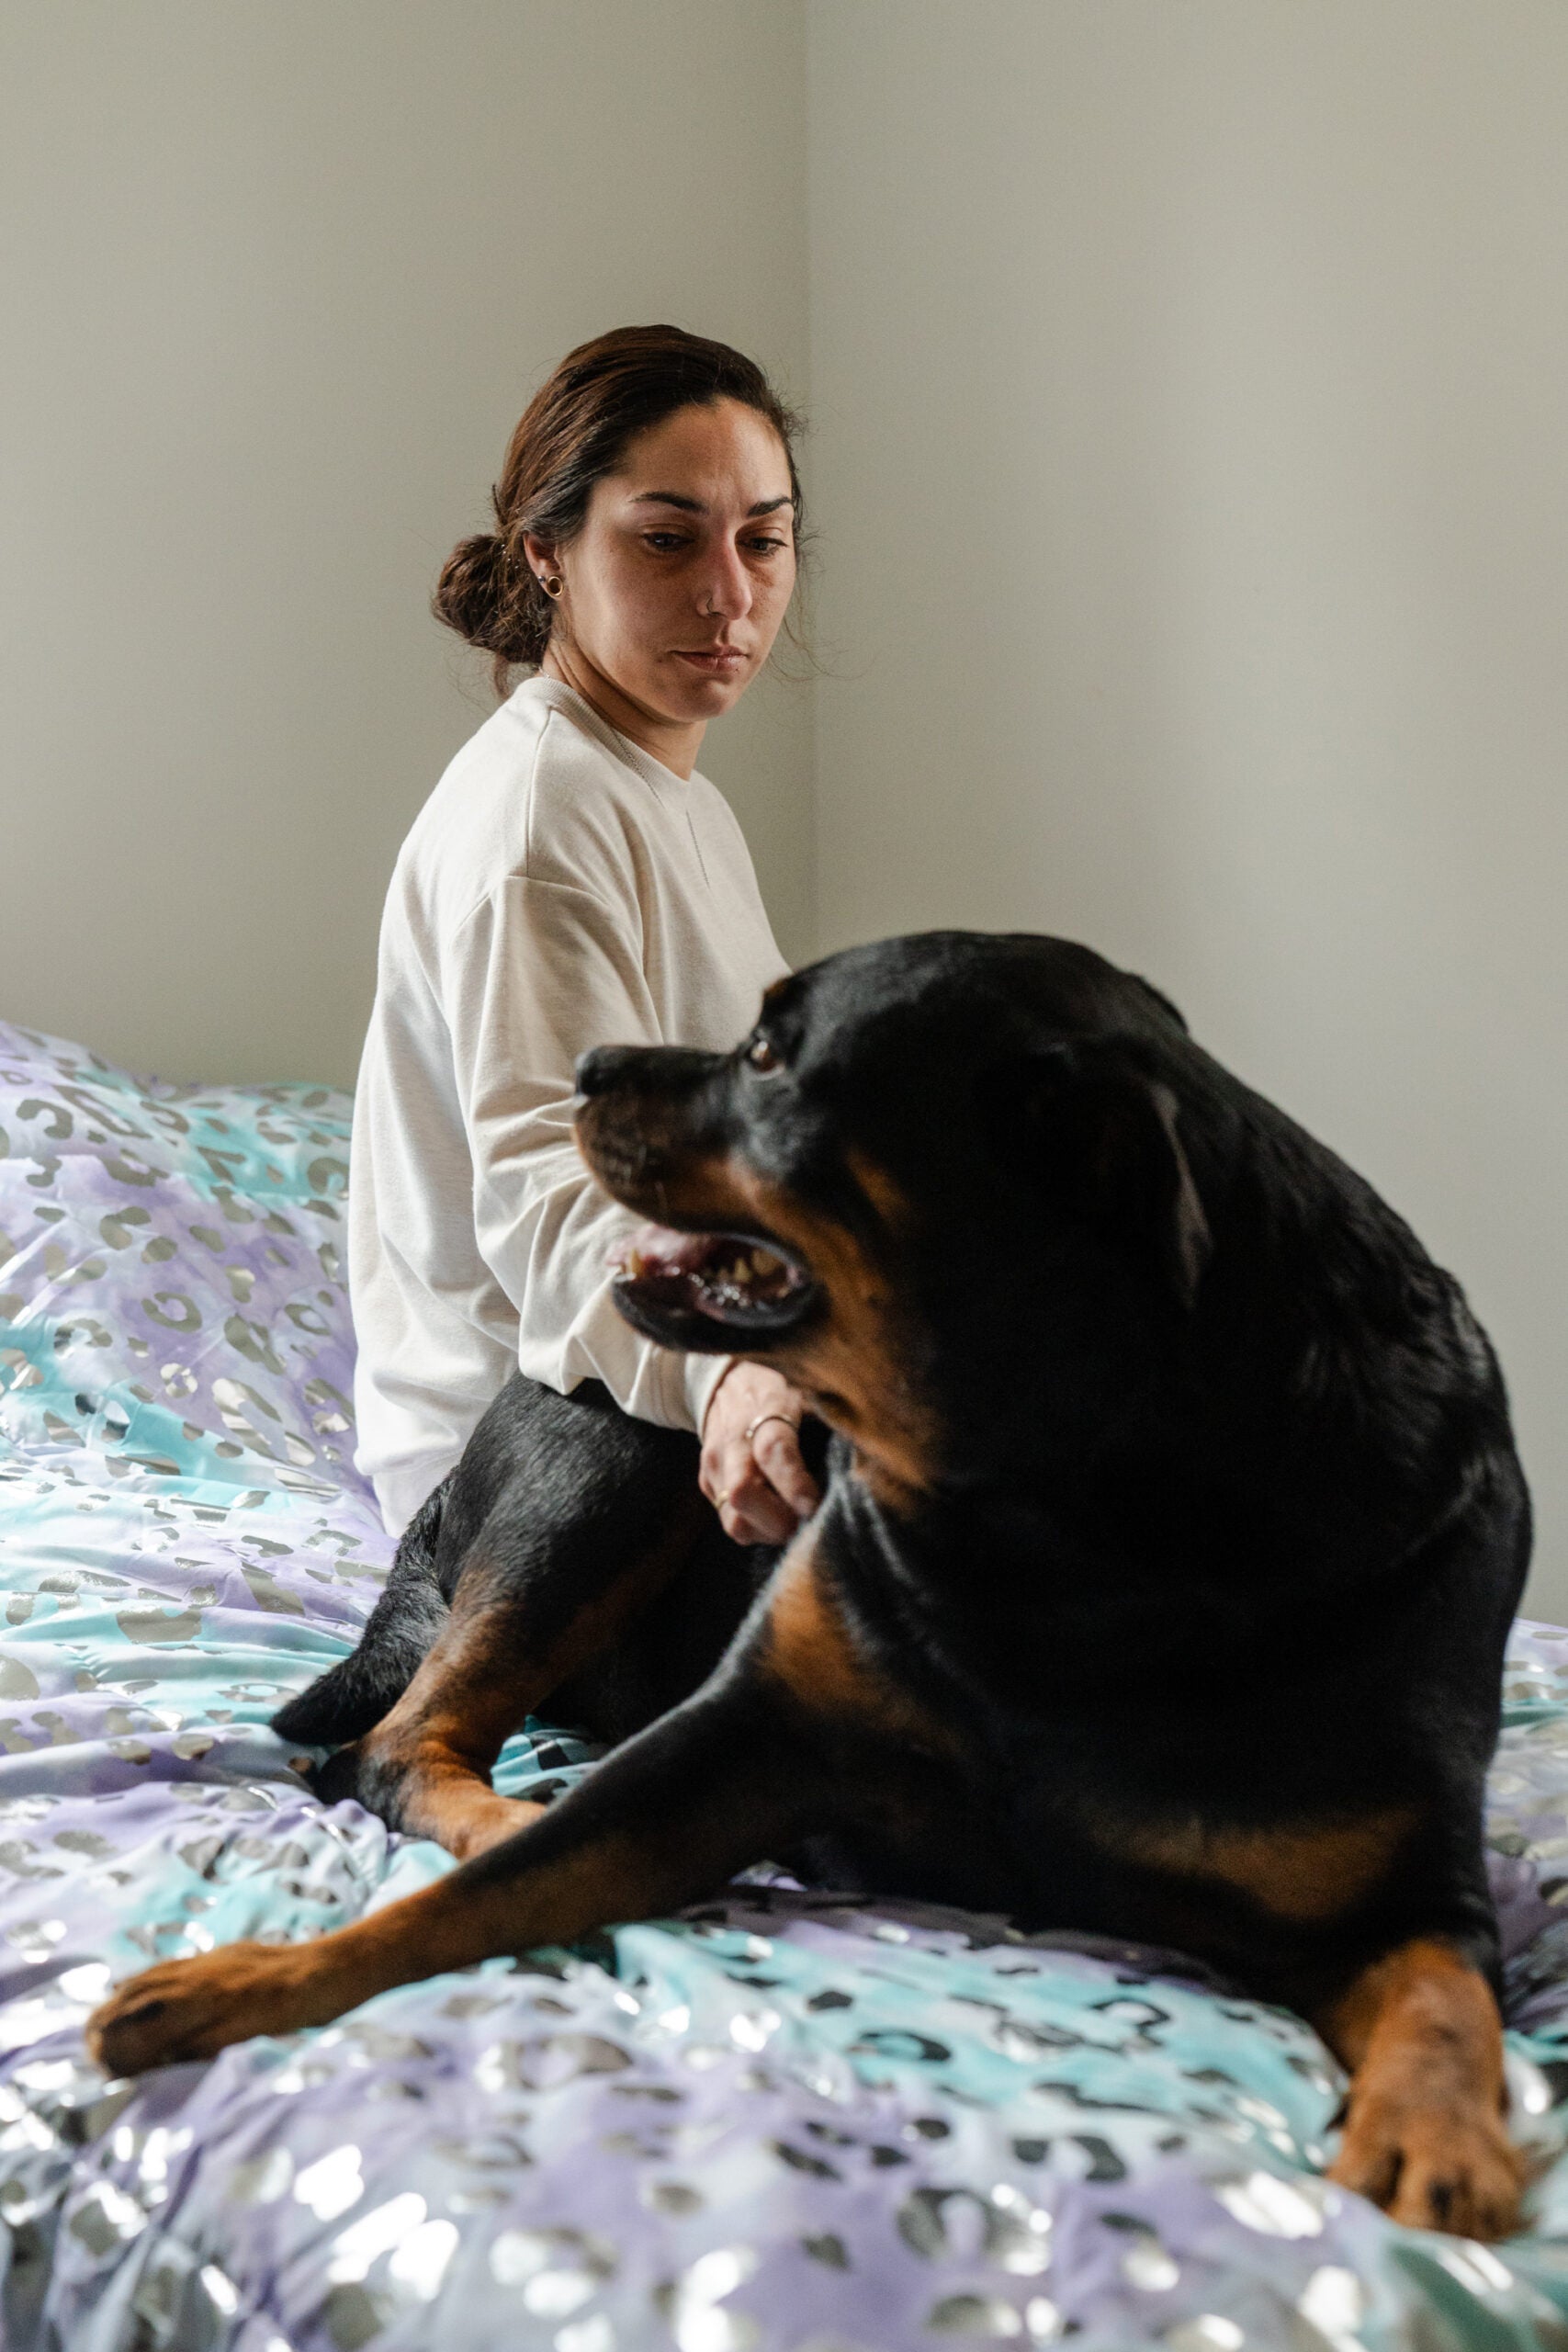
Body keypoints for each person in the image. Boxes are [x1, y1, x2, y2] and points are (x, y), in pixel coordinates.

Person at [349, 324, 820, 1557]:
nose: (731, 592)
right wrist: (730, 1382)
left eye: (762, 541)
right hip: (529, 1473)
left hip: (650, 1392)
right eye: (668, 539)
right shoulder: (538, 815)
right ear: (549, 553)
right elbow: (554, 1203)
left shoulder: (671, 799)